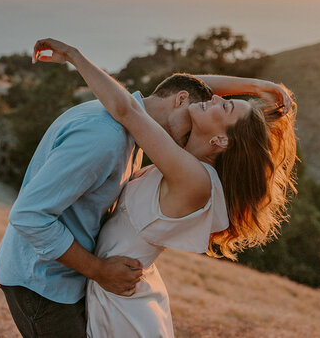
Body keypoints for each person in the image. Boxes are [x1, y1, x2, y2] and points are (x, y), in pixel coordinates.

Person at [30, 38, 297, 338]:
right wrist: (257, 86)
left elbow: (129, 110)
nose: (215, 98)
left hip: (123, 307)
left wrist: (75, 56)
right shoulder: (180, 151)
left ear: (222, 141)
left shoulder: (194, 179)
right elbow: (187, 89)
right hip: (114, 287)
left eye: (225, 105)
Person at [0, 50, 215, 337]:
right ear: (180, 99)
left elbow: (193, 85)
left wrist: (260, 87)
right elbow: (29, 216)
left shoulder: (127, 125)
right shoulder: (105, 136)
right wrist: (98, 270)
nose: (186, 143)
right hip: (42, 283)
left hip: (61, 278)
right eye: (190, 127)